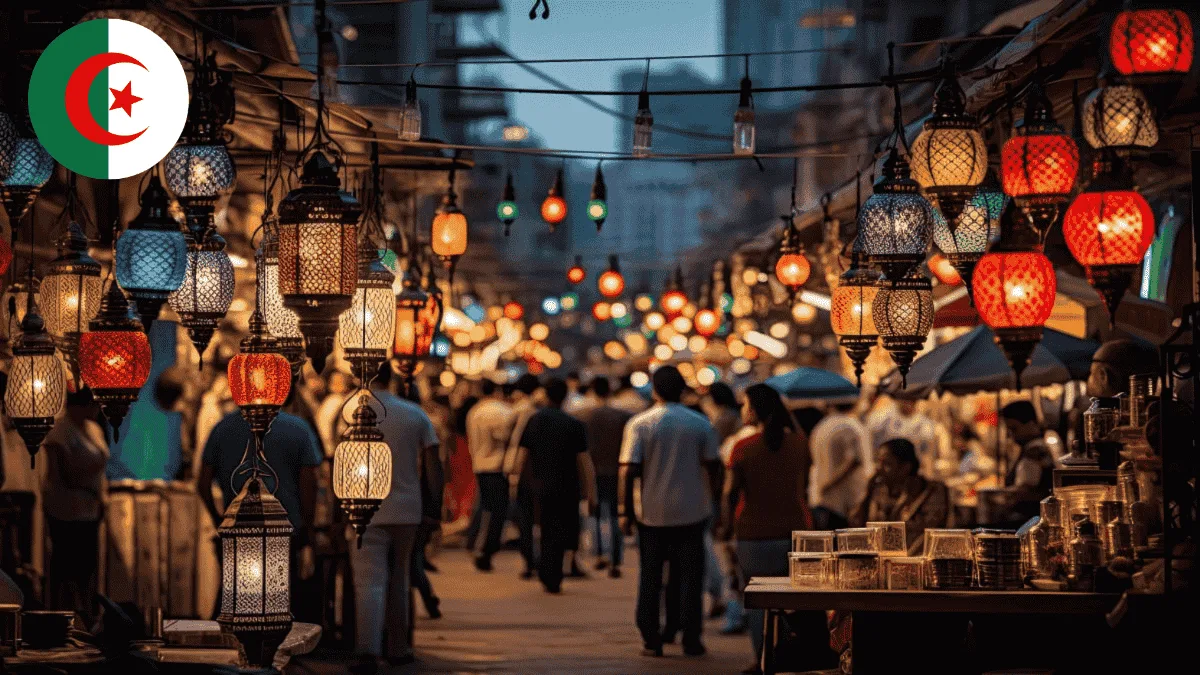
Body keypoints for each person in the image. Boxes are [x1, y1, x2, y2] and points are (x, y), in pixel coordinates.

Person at [620, 366, 721, 658]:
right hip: (692, 512)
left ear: (654, 390)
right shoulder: (701, 423)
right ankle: (691, 637)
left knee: (650, 577)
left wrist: (625, 512)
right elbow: (714, 466)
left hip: (651, 515)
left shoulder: (640, 424)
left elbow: (628, 470)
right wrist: (712, 502)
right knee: (690, 577)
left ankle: (652, 637)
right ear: (683, 390)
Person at [197, 389, 323, 622]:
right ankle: (278, 649)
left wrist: (219, 520)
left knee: (237, 598)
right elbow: (309, 485)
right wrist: (308, 526)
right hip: (285, 528)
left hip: (238, 528)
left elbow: (203, 483)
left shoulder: (223, 428)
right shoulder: (297, 429)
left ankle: (237, 646)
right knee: (280, 601)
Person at [352, 362, 442, 668]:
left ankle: (368, 650)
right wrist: (434, 509)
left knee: (369, 581)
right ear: (391, 379)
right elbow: (433, 466)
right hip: (407, 507)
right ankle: (398, 649)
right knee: (400, 579)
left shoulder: (349, 411)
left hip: (363, 509)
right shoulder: (414, 414)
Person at [721, 384, 813, 671]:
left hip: (753, 533)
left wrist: (725, 528)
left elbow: (730, 493)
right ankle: (789, 656)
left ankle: (763, 659)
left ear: (756, 410)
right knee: (792, 600)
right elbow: (804, 487)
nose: (742, 410)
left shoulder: (743, 447)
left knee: (759, 602)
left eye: (745, 404)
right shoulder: (799, 443)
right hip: (796, 530)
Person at [516, 378, 595, 593]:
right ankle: (555, 572)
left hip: (538, 485)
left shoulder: (534, 420)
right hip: (568, 487)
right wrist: (591, 491)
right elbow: (584, 462)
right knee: (562, 529)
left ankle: (546, 570)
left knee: (543, 528)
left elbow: (522, 454)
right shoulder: (574, 424)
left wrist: (515, 482)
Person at [42, 387, 108, 626]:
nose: (96, 409)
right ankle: (63, 618)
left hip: (90, 511)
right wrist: (92, 475)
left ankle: (87, 618)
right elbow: (65, 473)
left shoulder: (94, 430)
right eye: (92, 405)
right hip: (65, 511)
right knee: (66, 567)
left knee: (87, 567)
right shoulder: (60, 431)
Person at [852, 438, 953, 555]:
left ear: (905, 467)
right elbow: (857, 528)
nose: (878, 468)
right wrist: (868, 493)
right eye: (878, 462)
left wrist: (905, 502)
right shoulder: (879, 490)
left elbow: (930, 534)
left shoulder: (932, 491)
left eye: (887, 464)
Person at [576, 376, 633, 577]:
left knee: (597, 514)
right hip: (616, 471)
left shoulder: (584, 416)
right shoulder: (622, 416)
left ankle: (600, 553)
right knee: (617, 515)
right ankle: (616, 560)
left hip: (594, 472)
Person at [465, 379, 514, 571]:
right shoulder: (499, 411)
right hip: (496, 466)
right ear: (497, 391)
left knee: (484, 508)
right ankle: (484, 550)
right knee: (496, 512)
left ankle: (475, 543)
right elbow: (505, 435)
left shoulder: (474, 411)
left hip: (479, 464)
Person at [808, 402, 871, 530]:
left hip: (820, 498)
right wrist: (829, 484)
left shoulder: (821, 426)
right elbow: (854, 460)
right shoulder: (851, 426)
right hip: (841, 503)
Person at [504, 374, 542, 579]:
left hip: (516, 465)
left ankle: (529, 560)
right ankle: (533, 559)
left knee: (524, 517)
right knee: (530, 517)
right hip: (527, 466)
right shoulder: (531, 410)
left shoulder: (518, 409)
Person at [1000, 401, 1054, 523]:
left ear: (1031, 424)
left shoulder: (1034, 450)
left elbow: (1025, 489)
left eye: (1014, 429)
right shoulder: (1036, 446)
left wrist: (999, 495)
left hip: (1030, 521)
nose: (1011, 435)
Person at [315, 370, 353, 456]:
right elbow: (325, 426)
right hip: (335, 449)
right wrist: (330, 451)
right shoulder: (334, 401)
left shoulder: (339, 399)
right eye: (335, 381)